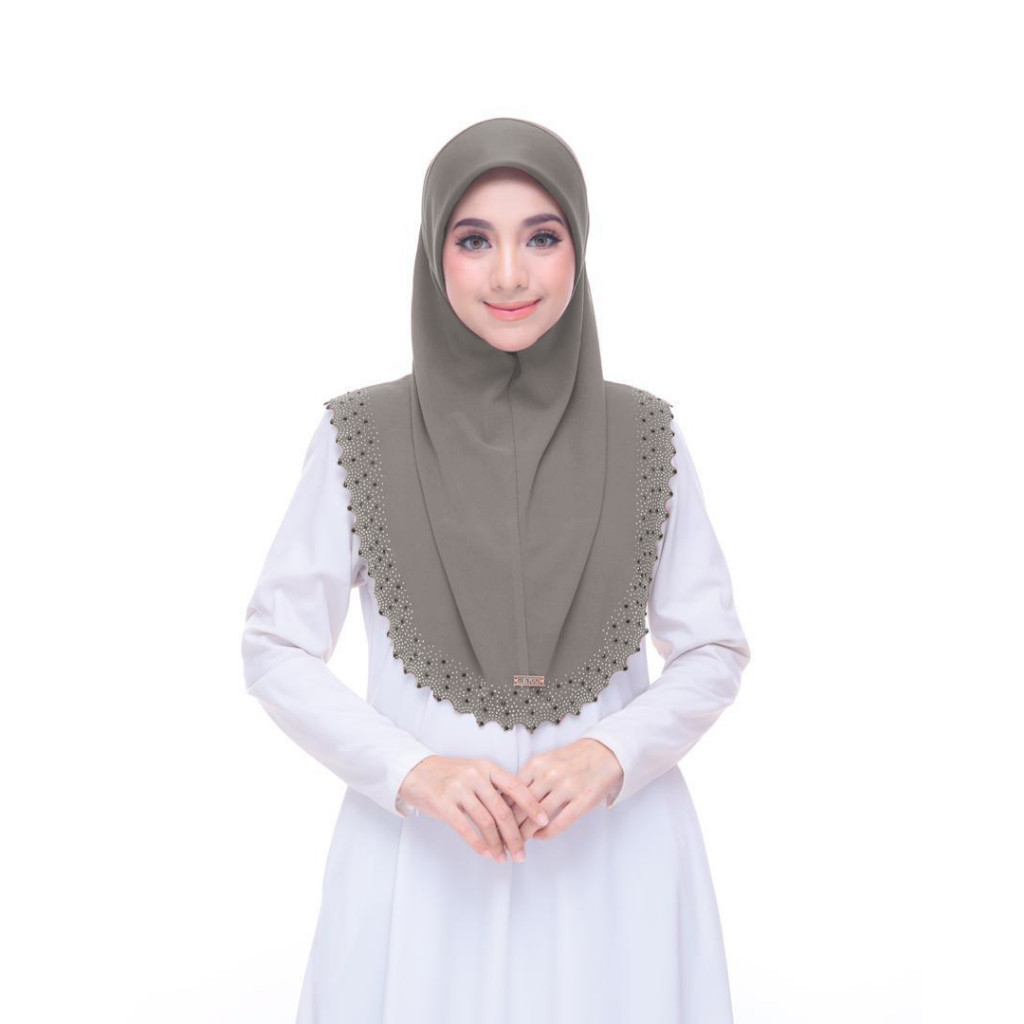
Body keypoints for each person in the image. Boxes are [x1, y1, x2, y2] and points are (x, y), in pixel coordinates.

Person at [241, 116, 751, 1024]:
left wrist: (611, 753)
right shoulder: (361, 438)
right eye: (474, 240)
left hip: (615, 865)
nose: (510, 274)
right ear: (433, 255)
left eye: (541, 238)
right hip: (420, 872)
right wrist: (412, 771)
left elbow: (712, 648)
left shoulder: (646, 436)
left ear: (579, 250)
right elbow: (276, 647)